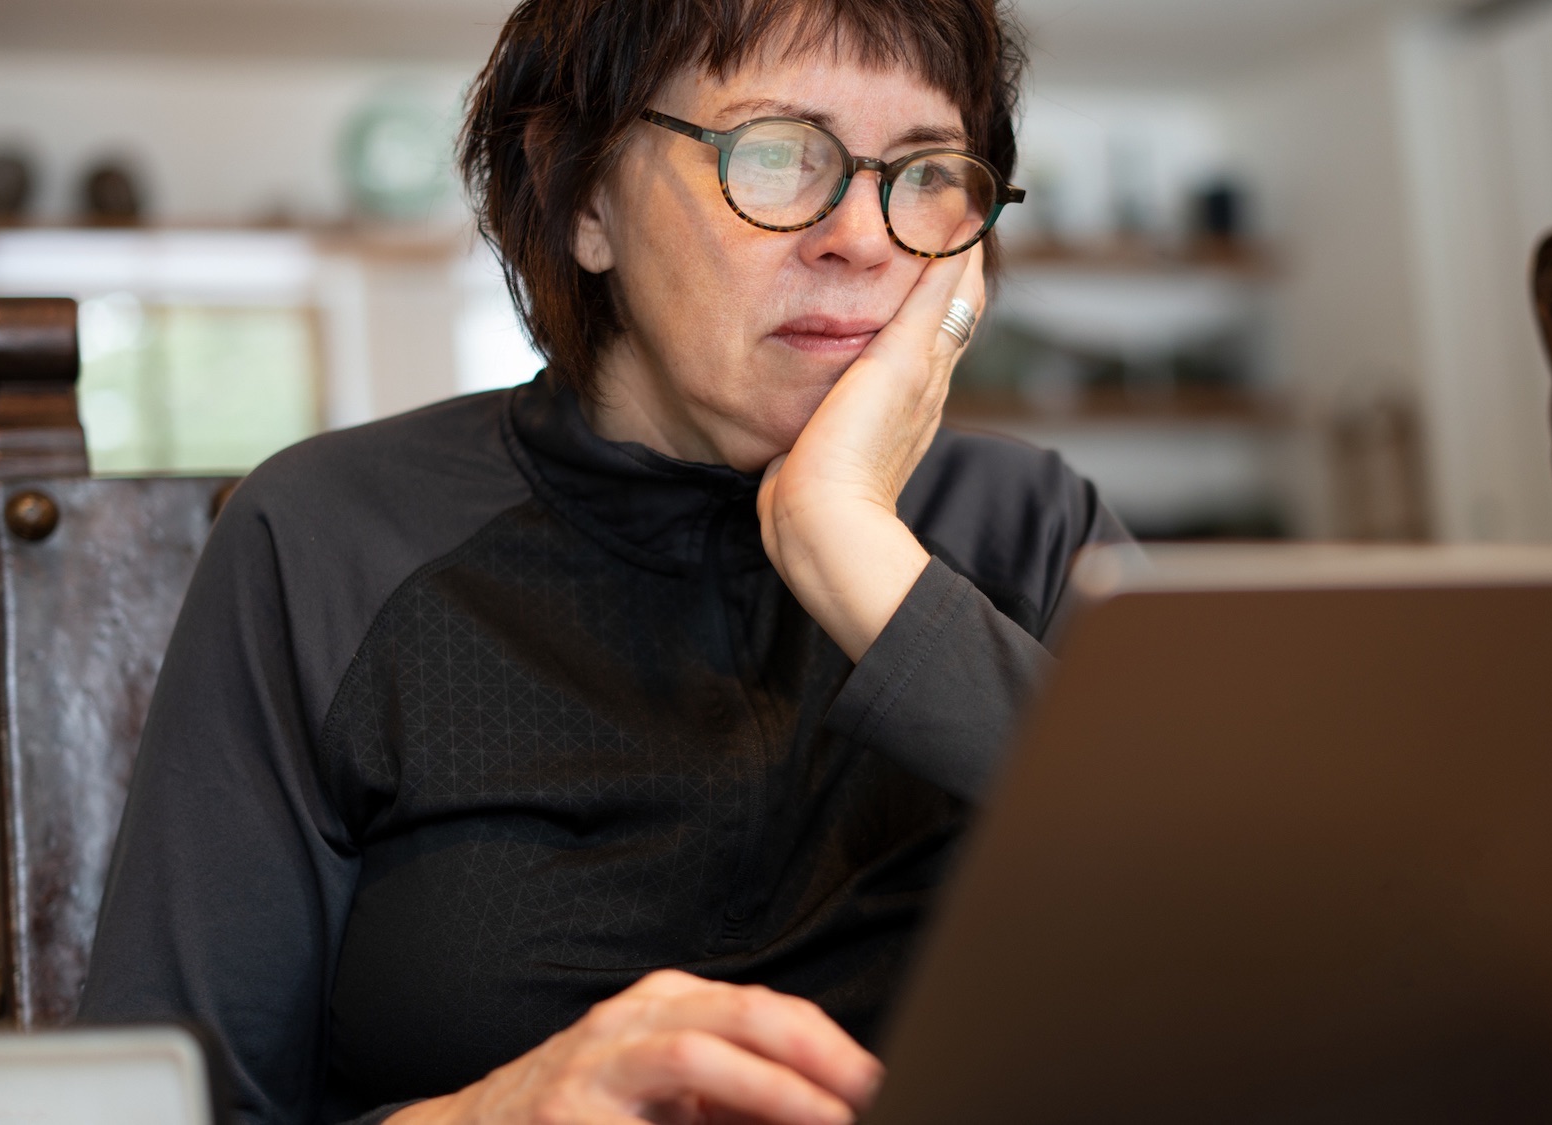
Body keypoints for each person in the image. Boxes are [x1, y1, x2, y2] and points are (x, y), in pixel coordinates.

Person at [79, 1, 1128, 1122]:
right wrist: (493, 1116)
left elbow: (1275, 976)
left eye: (924, 172)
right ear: (581, 196)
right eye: (774, 153)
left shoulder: (1031, 528)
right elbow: (154, 1107)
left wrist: (853, 549)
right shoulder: (328, 539)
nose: (864, 239)